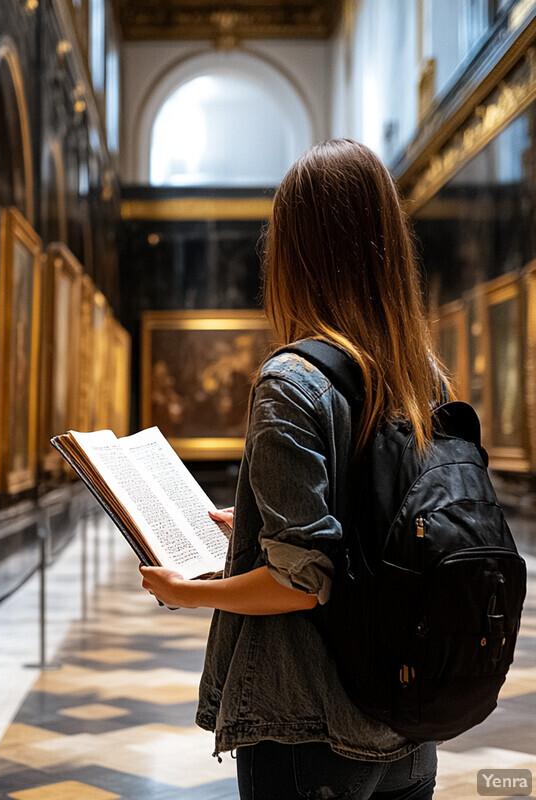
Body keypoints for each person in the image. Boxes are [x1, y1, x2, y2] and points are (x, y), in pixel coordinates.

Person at [140, 139, 446, 799]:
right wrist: (248, 530)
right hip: (408, 719)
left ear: (296, 250)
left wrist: (189, 590)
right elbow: (378, 532)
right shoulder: (424, 379)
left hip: (311, 726)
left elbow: (302, 580)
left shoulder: (292, 380)